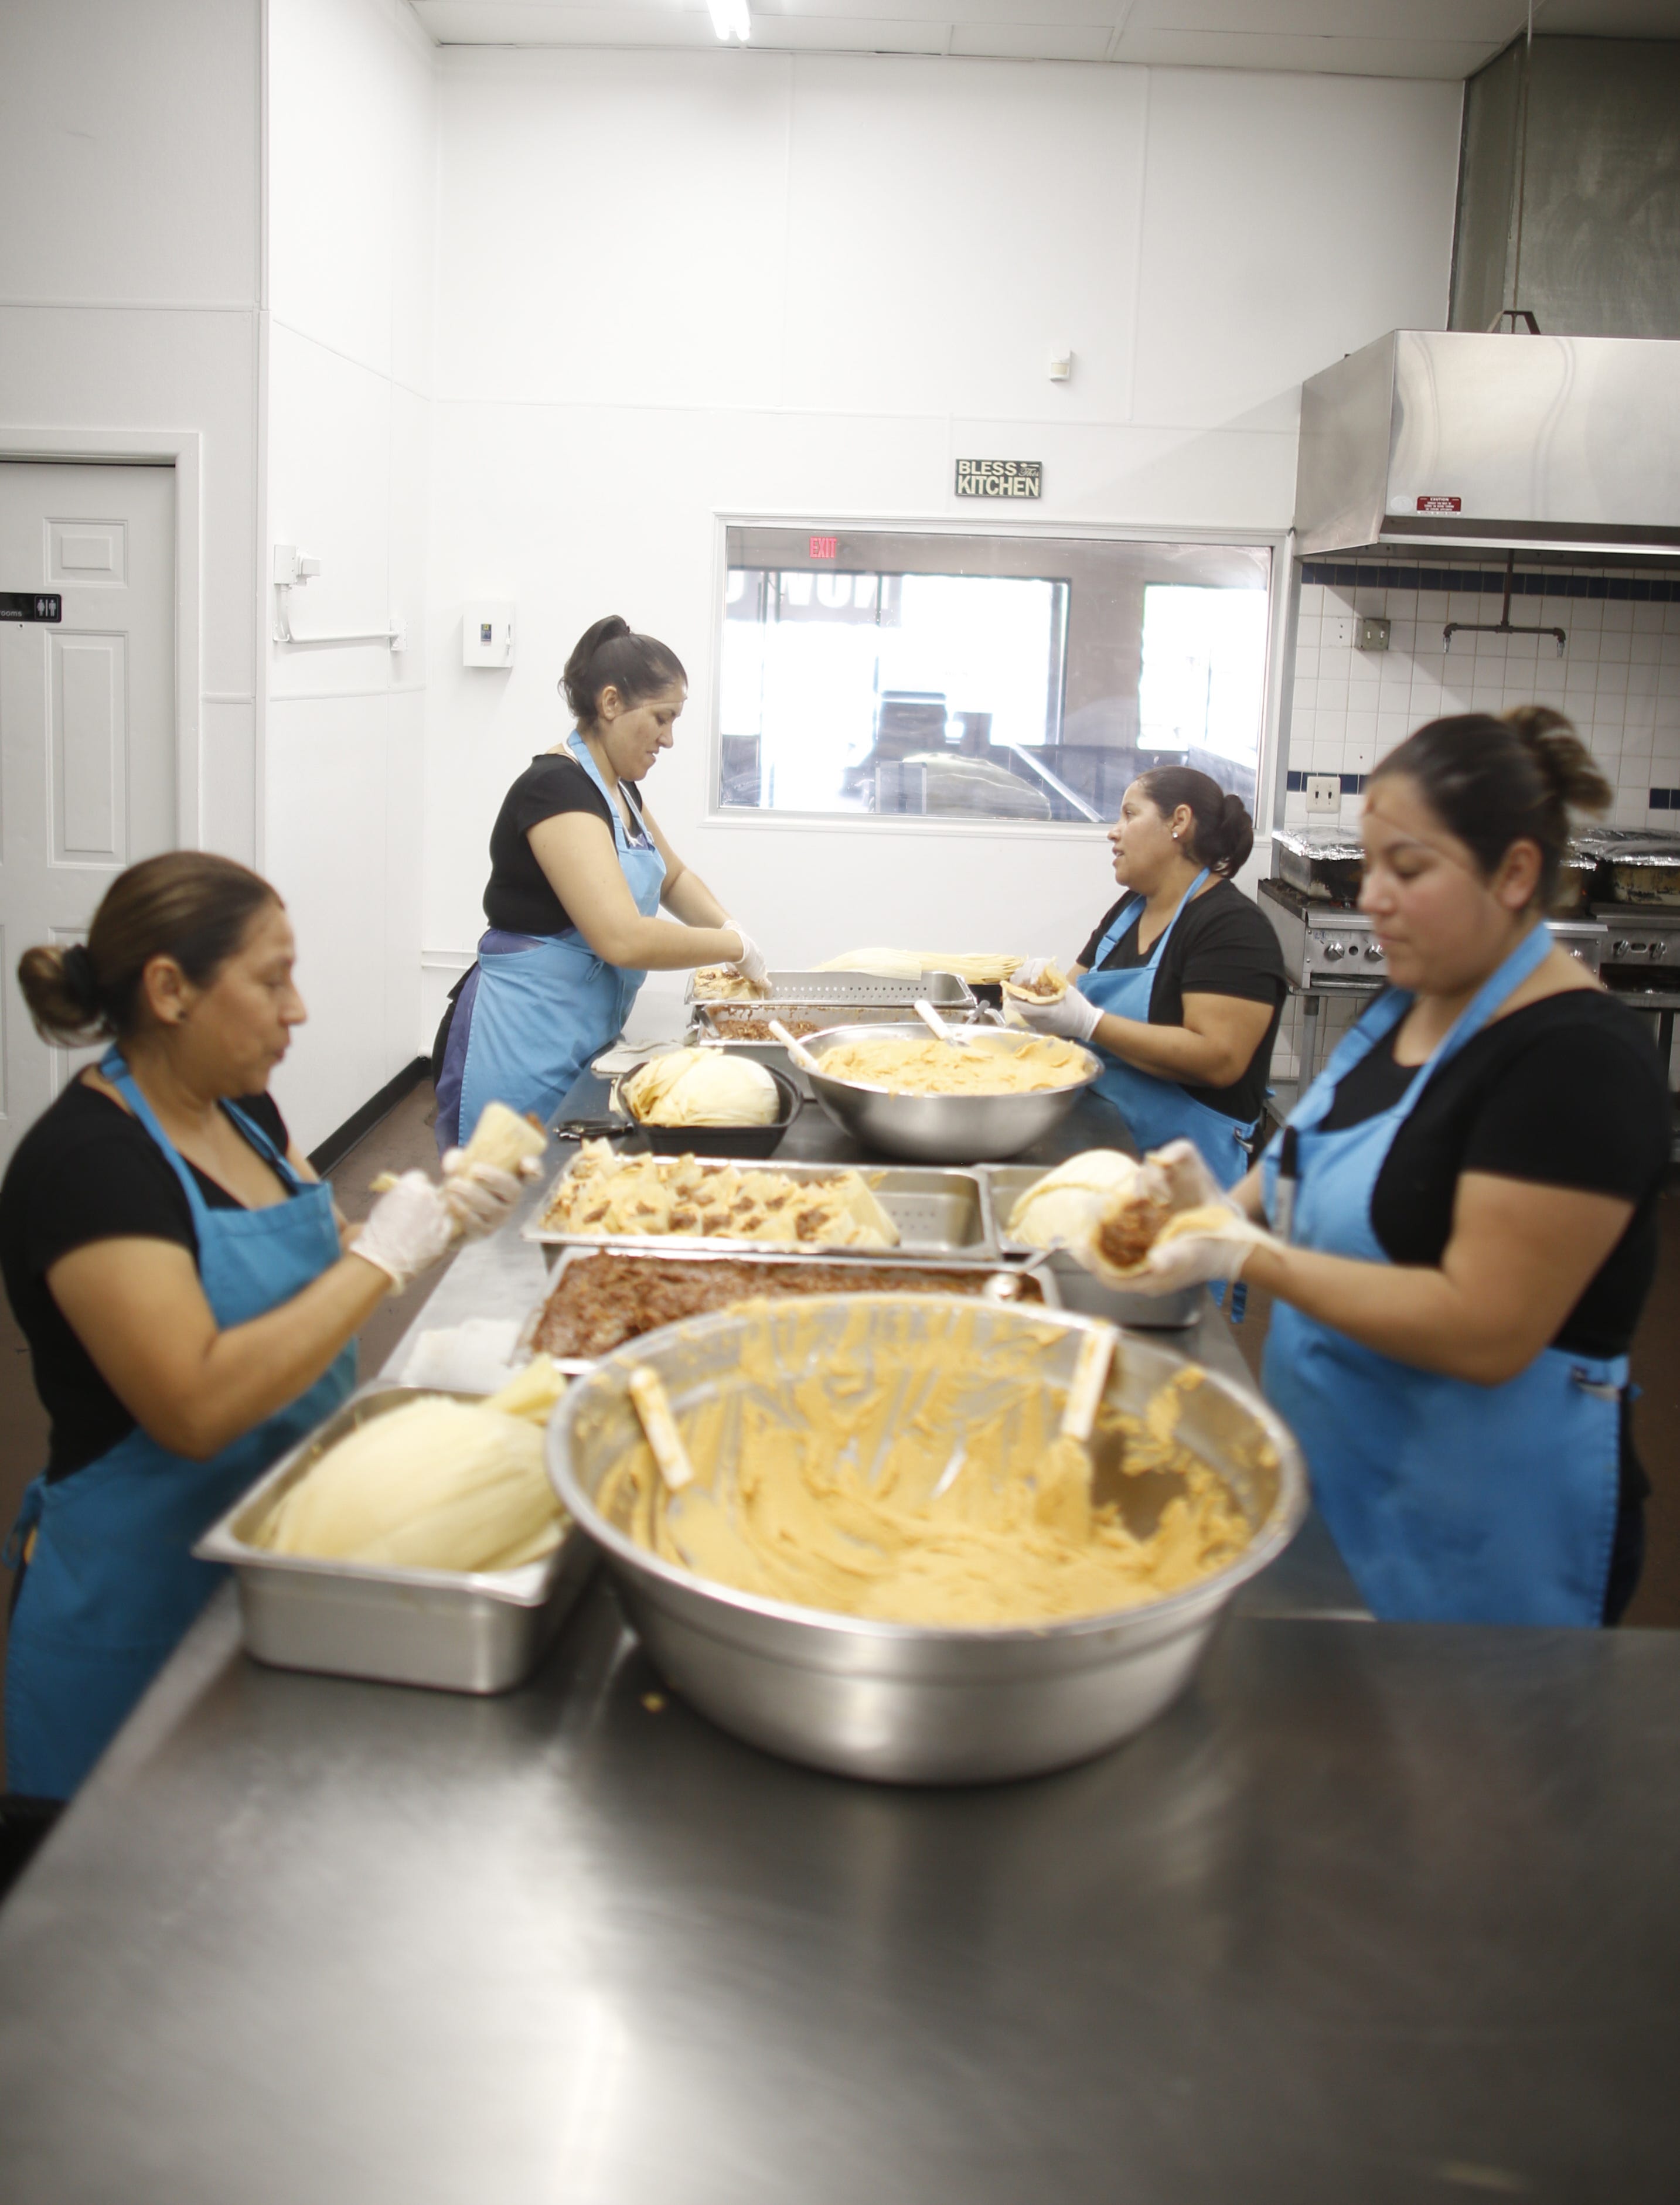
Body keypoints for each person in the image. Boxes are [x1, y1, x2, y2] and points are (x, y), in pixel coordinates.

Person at [0, 854, 527, 1800]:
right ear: (170, 989)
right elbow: (194, 1405)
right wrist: (380, 1259)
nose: (299, 1009)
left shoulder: (241, 1111)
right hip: (142, 1606)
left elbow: (321, 1251)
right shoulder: (89, 1167)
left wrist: (435, 1217)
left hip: (275, 1560)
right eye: (271, 978)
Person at [1129, 709, 1669, 1627]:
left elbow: (1482, 1326)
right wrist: (1199, 1202)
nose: (1371, 896)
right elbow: (1300, 1159)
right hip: (1336, 1474)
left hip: (1479, 1534)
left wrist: (1240, 1254)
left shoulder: (1576, 1059)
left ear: (1514, 873)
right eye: (1367, 864)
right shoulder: (1407, 1004)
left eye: (1406, 869)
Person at [434, 615, 769, 1152]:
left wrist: (733, 927)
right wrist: (732, 948)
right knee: (509, 1205)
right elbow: (620, 938)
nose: (670, 738)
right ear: (611, 704)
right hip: (520, 1045)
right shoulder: (556, 790)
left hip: (581, 1037)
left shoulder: (621, 791)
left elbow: (674, 877)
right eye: (662, 717)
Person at [1010, 768, 1286, 1187]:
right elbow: (1067, 994)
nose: (1112, 833)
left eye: (1128, 815)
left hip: (1187, 1178)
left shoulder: (1232, 928)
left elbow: (1219, 1059)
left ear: (1178, 821)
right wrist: (1028, 1011)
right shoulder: (1130, 910)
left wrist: (1089, 1023)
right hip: (1102, 1146)